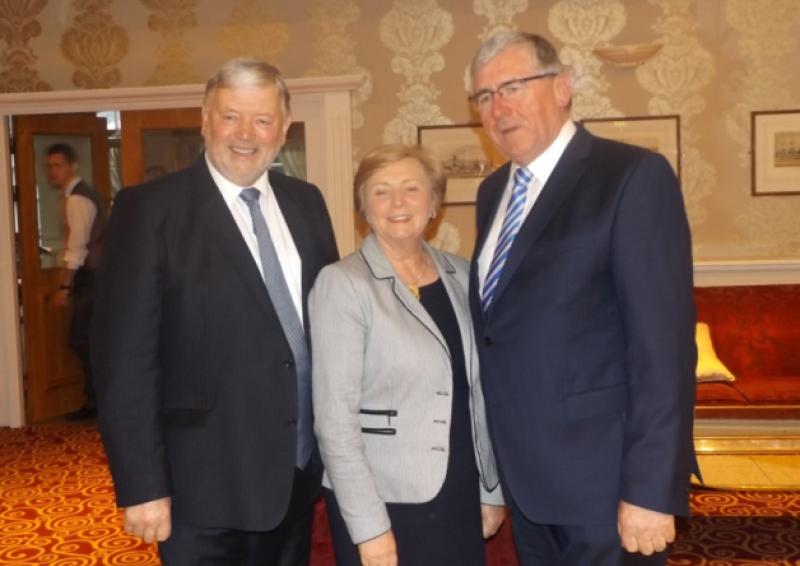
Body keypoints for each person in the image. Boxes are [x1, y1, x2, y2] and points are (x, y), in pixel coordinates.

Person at [91, 58, 339, 565]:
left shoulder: (306, 203)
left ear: (284, 128)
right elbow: (124, 360)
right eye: (231, 117)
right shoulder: (148, 210)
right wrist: (141, 485)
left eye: (263, 120)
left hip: (294, 478)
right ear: (205, 119)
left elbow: (324, 330)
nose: (246, 134)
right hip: (200, 490)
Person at [467, 31, 698, 565]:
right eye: (484, 96)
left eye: (514, 86)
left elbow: (662, 349)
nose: (498, 107)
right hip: (528, 483)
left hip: (606, 485)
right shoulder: (492, 193)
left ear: (564, 87)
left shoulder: (631, 177)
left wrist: (648, 489)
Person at [310, 144, 505, 566]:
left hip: (461, 491)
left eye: (412, 188)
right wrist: (369, 528)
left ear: (435, 202)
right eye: (381, 191)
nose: (397, 203)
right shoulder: (343, 284)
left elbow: (480, 395)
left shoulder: (463, 274)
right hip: (384, 499)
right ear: (364, 206)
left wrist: (490, 490)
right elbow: (333, 420)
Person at [45, 143, 106, 420]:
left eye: (57, 165)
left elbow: (78, 246)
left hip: (94, 276)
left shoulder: (79, 199)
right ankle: (96, 400)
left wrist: (64, 285)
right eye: (49, 166)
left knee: (81, 338)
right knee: (86, 338)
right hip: (92, 275)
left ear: (72, 166)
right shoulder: (73, 196)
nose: (52, 171)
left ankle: (99, 400)